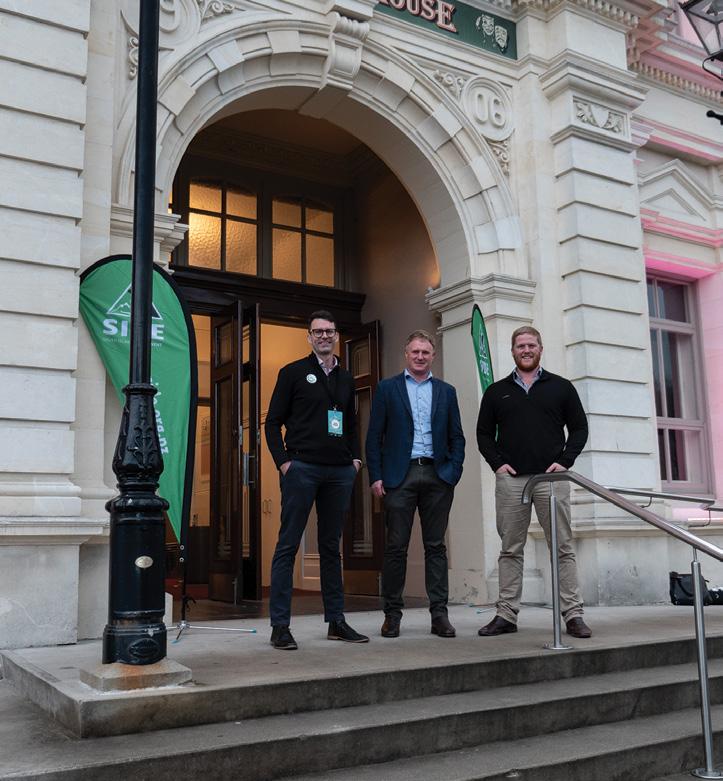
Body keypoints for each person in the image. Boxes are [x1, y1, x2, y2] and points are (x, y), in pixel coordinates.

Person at [476, 325, 591, 639]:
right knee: (510, 549)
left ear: (540, 348)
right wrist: (498, 464)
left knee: (562, 547)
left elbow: (579, 428)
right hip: (512, 481)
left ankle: (573, 614)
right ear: (512, 351)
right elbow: (483, 434)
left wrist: (565, 461)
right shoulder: (496, 391)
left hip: (551, 478)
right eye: (520, 346)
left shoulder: (562, 387)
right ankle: (506, 615)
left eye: (531, 345)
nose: (526, 350)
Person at [265, 310, 367, 650]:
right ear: (309, 337)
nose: (324, 336)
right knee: (288, 545)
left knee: (330, 547)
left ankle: (336, 621)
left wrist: (354, 460)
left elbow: (351, 424)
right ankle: (280, 626)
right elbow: (272, 423)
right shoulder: (292, 373)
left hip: (339, 472)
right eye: (318, 331)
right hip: (302, 469)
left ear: (336, 335)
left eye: (329, 331)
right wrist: (284, 463)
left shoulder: (346, 378)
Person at [366, 330, 465, 639]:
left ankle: (440, 616)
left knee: (436, 546)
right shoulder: (387, 388)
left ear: (433, 355)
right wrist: (376, 476)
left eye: (425, 352)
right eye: (415, 351)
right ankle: (392, 616)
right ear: (406, 354)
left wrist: (453, 472)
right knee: (396, 547)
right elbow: (374, 436)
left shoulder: (446, 391)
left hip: (438, 476)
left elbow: (457, 436)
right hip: (400, 476)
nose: (420, 356)